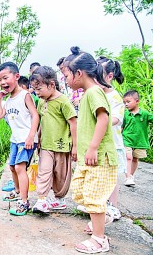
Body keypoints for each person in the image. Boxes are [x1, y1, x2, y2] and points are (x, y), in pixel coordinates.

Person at [63, 46, 118, 254]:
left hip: (100, 156)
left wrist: (93, 147)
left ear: (78, 73)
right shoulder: (87, 93)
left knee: (94, 197)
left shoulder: (95, 92)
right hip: (89, 156)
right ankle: (103, 217)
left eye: (66, 75)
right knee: (80, 191)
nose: (66, 80)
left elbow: (103, 118)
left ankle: (99, 239)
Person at [29, 66, 77, 213]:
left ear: (51, 85)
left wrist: (75, 146)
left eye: (39, 89)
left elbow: (73, 123)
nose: (37, 93)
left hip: (62, 145)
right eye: (34, 90)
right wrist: (37, 138)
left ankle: (59, 198)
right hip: (46, 145)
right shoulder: (41, 102)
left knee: (61, 175)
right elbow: (41, 122)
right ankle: (42, 199)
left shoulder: (63, 101)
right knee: (44, 171)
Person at [0, 62, 39, 216]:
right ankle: (18, 190)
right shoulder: (9, 100)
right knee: (13, 167)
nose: (2, 83)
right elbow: (0, 115)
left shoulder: (25, 95)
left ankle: (24, 201)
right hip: (15, 139)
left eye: (5, 78)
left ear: (17, 76)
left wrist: (31, 136)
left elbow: (35, 115)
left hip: (26, 139)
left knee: (20, 168)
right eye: (0, 80)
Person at [94, 56, 126, 220]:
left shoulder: (114, 97)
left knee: (112, 178)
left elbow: (117, 119)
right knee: (100, 175)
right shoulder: (96, 94)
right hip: (99, 144)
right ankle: (100, 205)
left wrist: (100, 121)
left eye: (98, 77)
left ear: (109, 76)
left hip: (112, 144)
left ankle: (113, 207)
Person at [122, 90, 153, 186]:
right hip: (126, 139)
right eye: (124, 102)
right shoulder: (125, 114)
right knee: (128, 157)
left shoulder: (145, 114)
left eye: (128, 102)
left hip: (139, 141)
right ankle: (127, 177)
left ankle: (130, 175)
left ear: (137, 101)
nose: (126, 104)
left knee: (135, 159)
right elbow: (121, 126)